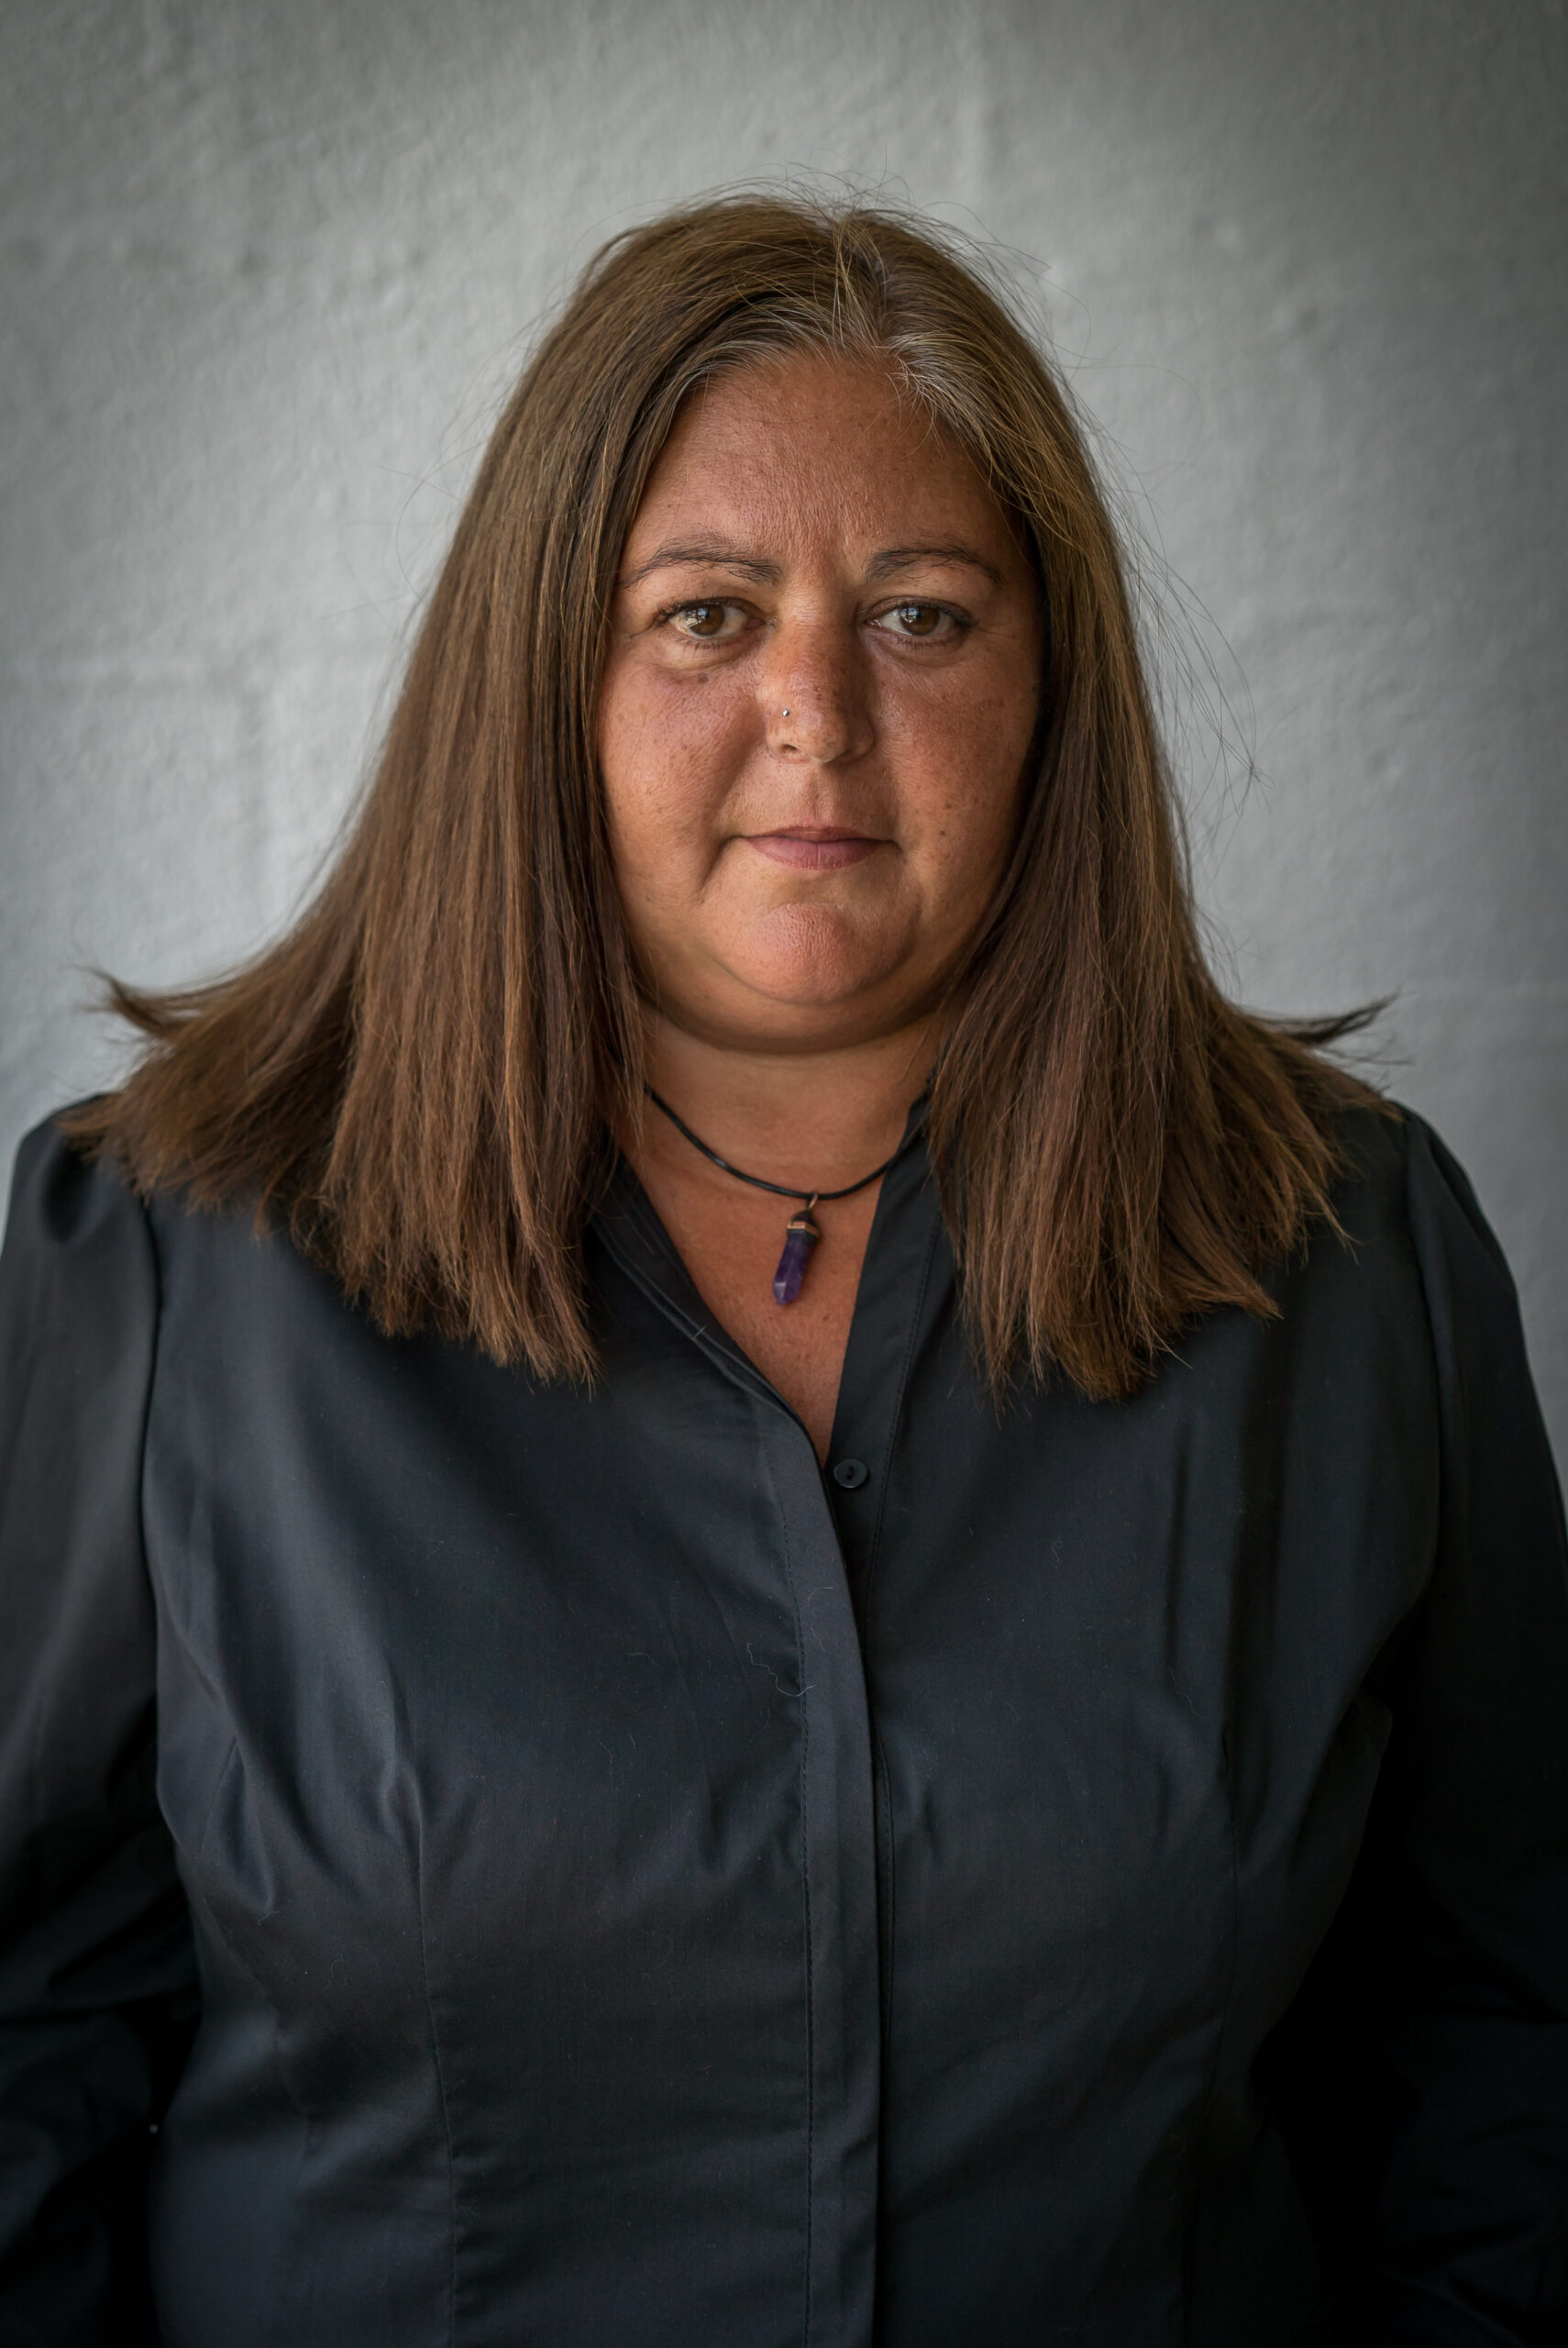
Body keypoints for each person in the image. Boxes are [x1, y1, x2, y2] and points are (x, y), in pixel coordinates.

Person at [1, 193, 1563, 2348]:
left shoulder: (1350, 1258)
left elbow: (1509, 2041)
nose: (817, 715)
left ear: (1054, 694)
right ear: (536, 676)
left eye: (922, 616)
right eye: (706, 613)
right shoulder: (170, 1264)